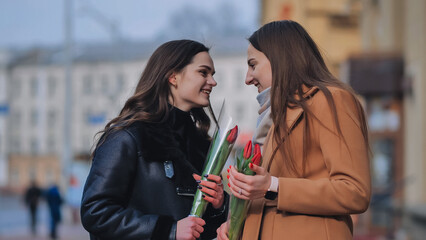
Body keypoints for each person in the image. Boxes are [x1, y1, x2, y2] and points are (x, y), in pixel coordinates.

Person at [218, 20, 371, 240]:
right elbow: (264, 195)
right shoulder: (273, 115)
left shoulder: (331, 101)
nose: (247, 78)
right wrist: (233, 226)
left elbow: (355, 191)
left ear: (279, 58)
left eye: (253, 65)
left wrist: (274, 185)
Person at [81, 40, 228, 240]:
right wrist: (169, 230)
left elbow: (201, 229)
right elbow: (95, 212)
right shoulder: (128, 136)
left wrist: (218, 205)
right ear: (173, 76)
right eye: (203, 72)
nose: (212, 81)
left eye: (213, 75)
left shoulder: (201, 144)